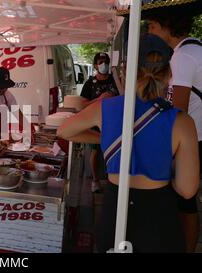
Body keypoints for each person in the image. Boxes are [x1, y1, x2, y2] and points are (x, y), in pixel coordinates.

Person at [57, 34, 199, 252]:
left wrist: (105, 138)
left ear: (125, 71)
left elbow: (64, 130)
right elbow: (187, 190)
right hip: (158, 220)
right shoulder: (182, 121)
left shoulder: (104, 108)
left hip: (115, 213)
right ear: (169, 74)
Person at [145, 6, 202, 252]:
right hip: (196, 135)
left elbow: (178, 111)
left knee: (185, 201)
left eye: (152, 26)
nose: (149, 32)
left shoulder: (183, 56)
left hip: (194, 139)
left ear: (167, 26)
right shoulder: (192, 49)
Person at [80, 52, 119, 193]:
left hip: (114, 122)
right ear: (95, 65)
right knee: (95, 151)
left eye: (106, 61)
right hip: (96, 124)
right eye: (101, 62)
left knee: (113, 152)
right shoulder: (90, 83)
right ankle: (95, 180)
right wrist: (100, 99)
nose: (104, 64)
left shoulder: (115, 81)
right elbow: (82, 105)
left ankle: (113, 180)